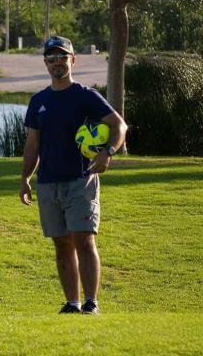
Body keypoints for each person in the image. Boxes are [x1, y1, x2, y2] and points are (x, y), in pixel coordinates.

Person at [20, 36, 127, 315]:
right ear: (45, 63)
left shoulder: (85, 96)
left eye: (62, 57)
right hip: (48, 182)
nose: (57, 62)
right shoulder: (38, 101)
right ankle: (72, 303)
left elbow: (119, 126)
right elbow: (32, 144)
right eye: (51, 58)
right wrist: (24, 179)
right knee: (62, 243)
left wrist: (108, 152)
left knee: (84, 239)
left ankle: (91, 302)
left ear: (72, 60)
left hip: (81, 179)